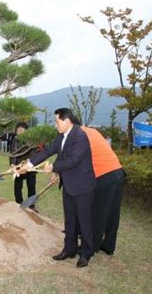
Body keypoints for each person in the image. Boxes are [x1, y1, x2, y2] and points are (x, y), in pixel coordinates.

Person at [19, 108, 96, 268]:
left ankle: (86, 253)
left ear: (67, 121)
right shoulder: (61, 136)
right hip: (68, 184)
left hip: (82, 186)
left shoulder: (80, 136)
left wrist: (54, 167)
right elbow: (48, 151)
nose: (55, 124)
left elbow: (73, 160)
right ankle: (69, 249)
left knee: (84, 221)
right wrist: (29, 164)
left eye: (57, 121)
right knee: (70, 219)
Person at [80, 125, 125, 256]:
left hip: (104, 174)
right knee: (112, 212)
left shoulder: (76, 135)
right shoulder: (92, 131)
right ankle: (109, 245)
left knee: (99, 212)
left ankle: (90, 247)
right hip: (118, 171)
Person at [9, 122, 37, 209]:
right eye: (18, 130)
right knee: (18, 186)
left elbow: (34, 152)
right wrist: (13, 164)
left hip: (30, 166)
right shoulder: (15, 140)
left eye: (21, 130)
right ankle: (18, 203)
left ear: (26, 131)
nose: (19, 132)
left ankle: (31, 205)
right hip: (19, 165)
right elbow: (13, 153)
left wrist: (30, 162)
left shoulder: (32, 140)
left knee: (31, 186)